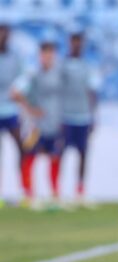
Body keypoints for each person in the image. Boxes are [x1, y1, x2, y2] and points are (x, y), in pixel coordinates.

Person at [11, 41, 64, 208]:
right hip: (36, 127)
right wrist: (30, 109)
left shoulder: (58, 75)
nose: (48, 58)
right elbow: (15, 93)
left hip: (54, 125)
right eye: (45, 54)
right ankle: (29, 195)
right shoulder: (32, 74)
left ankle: (55, 195)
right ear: (40, 56)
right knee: (30, 157)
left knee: (55, 158)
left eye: (51, 54)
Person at [61, 32, 101, 206]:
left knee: (83, 154)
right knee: (60, 154)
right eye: (74, 42)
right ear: (70, 43)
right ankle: (58, 192)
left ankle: (80, 191)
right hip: (65, 117)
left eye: (80, 43)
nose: (77, 46)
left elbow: (93, 93)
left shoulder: (87, 67)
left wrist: (93, 117)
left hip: (83, 117)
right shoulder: (62, 66)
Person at [0, 24, 24, 207]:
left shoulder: (15, 57)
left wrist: (18, 91)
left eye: (5, 33)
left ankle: (22, 189)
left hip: (11, 111)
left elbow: (23, 80)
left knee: (21, 148)